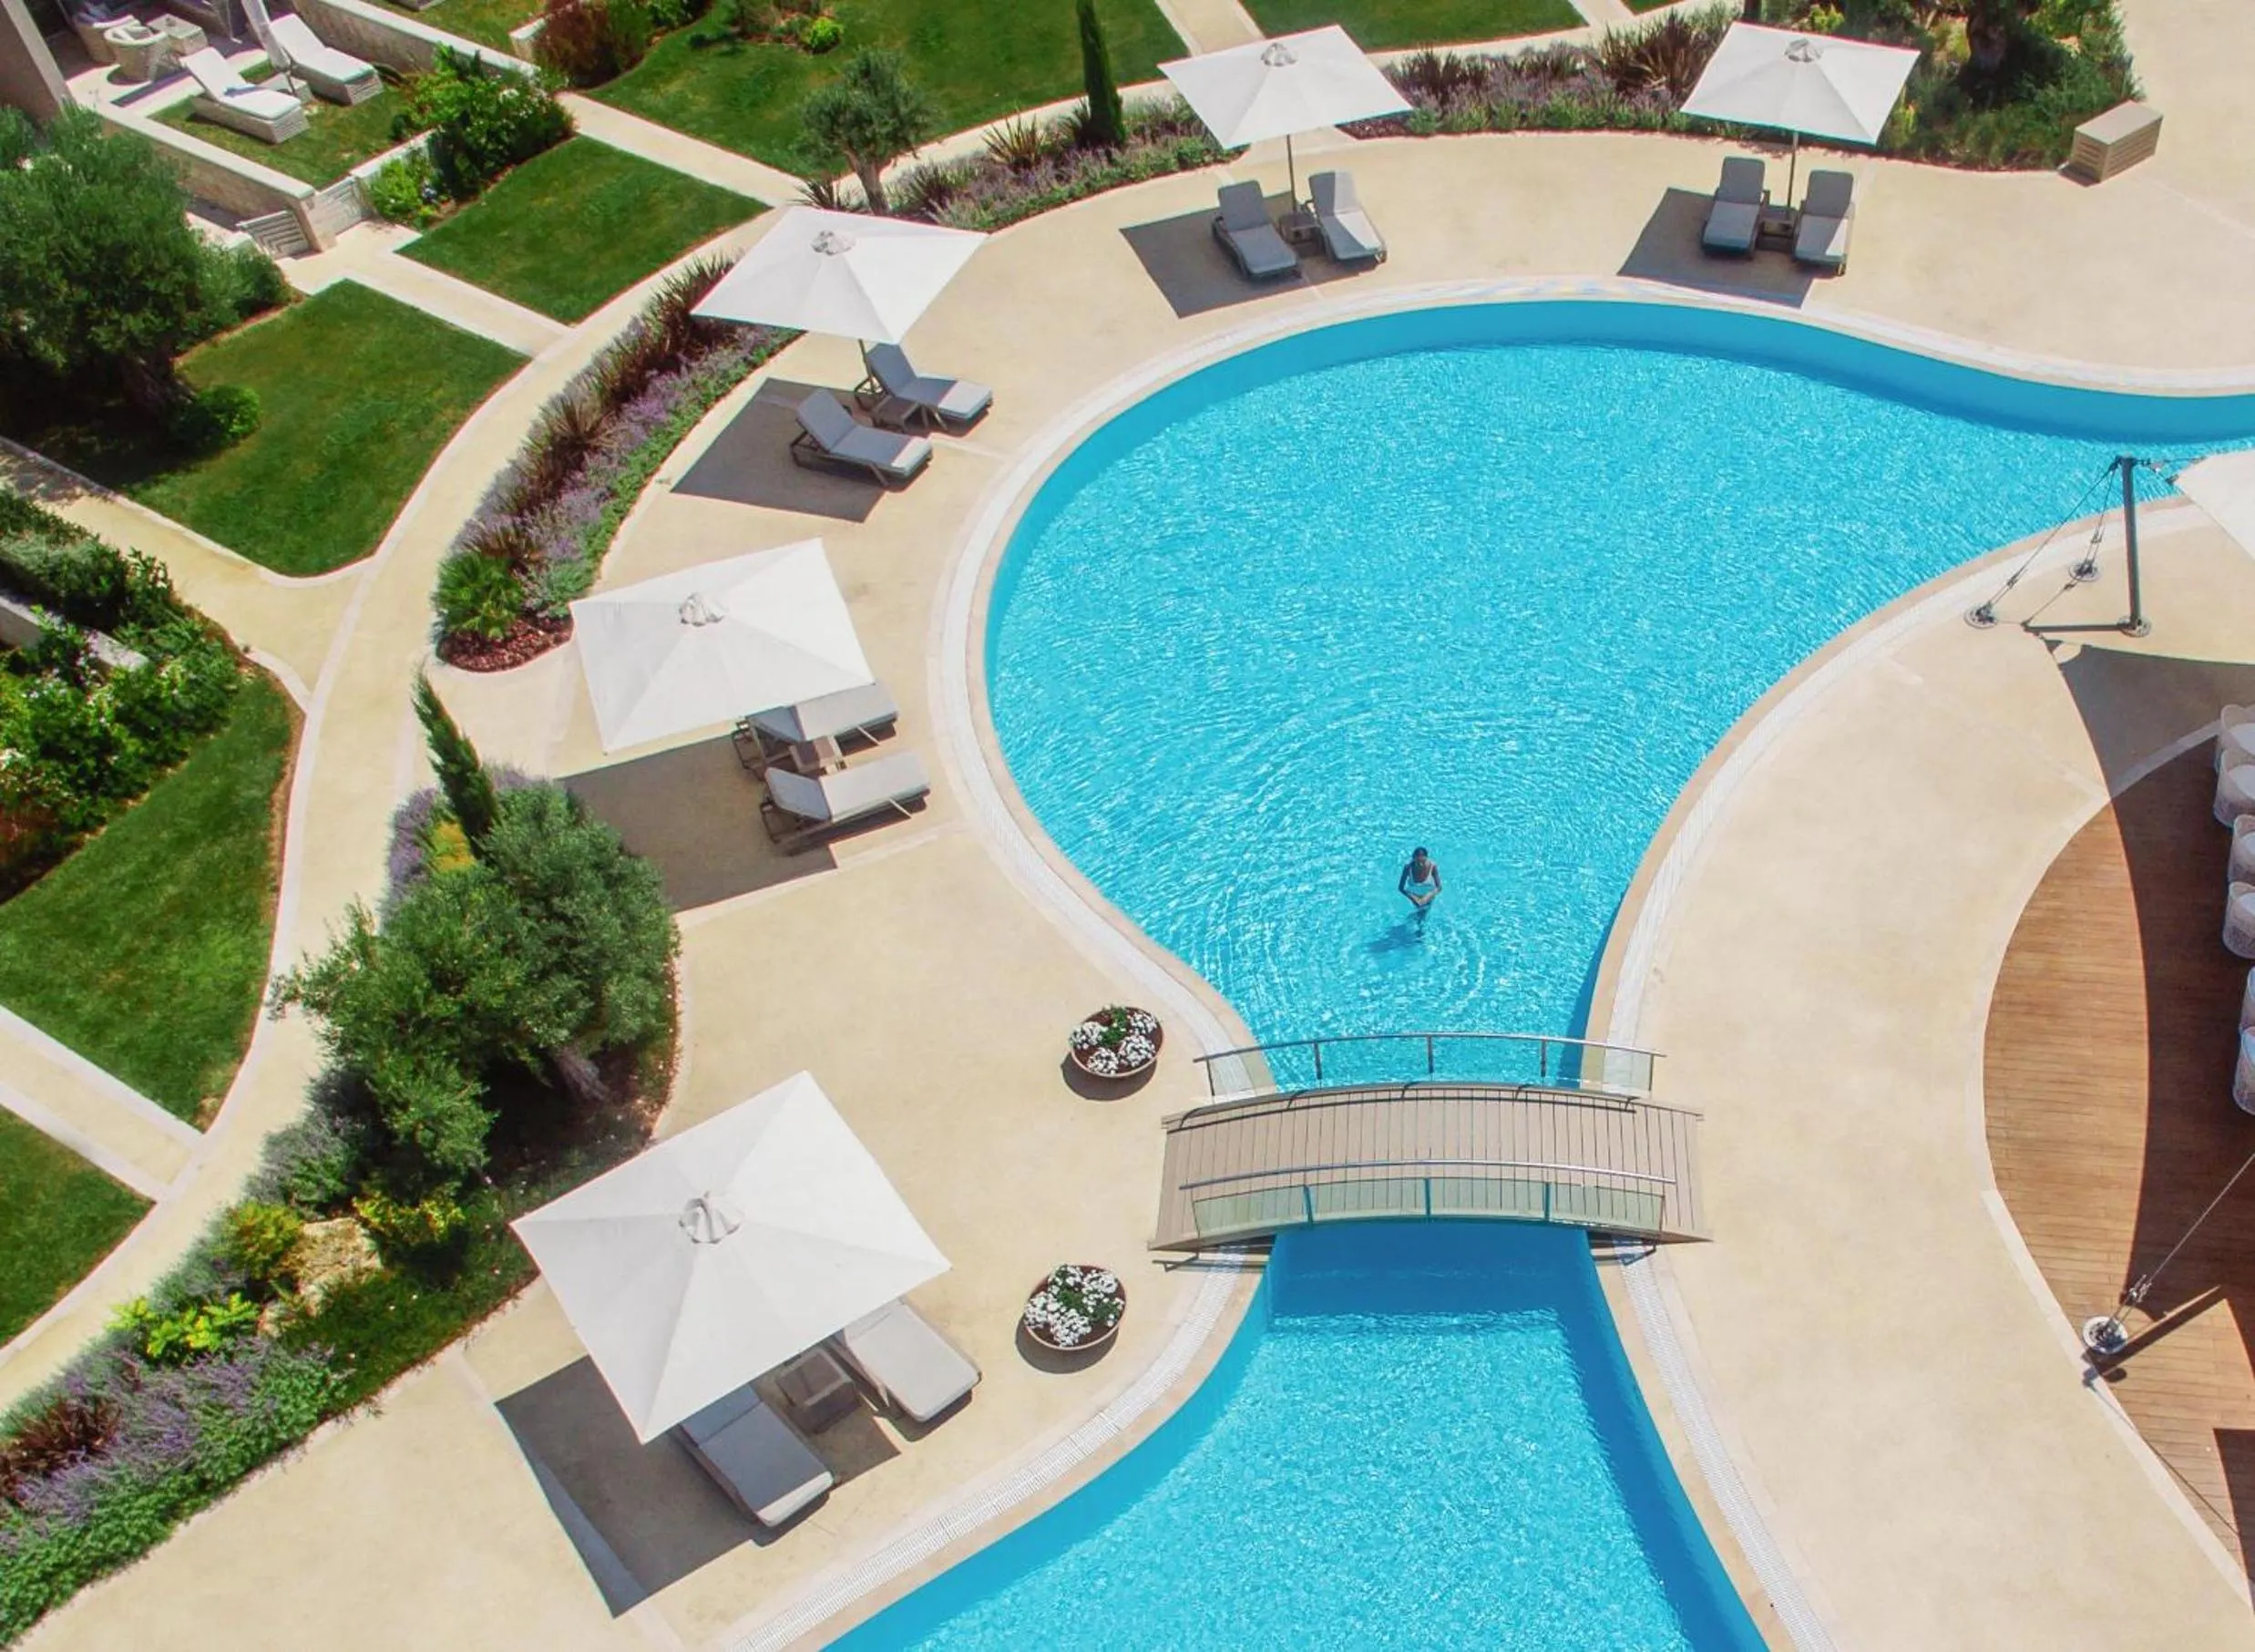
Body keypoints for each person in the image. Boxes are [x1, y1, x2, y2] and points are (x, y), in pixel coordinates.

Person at [1399, 847, 1441, 922]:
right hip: (1414, 894)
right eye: (1418, 862)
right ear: (1413, 859)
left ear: (1427, 859)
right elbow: (1401, 888)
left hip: (1428, 893)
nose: (1421, 864)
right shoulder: (1408, 867)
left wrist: (1426, 897)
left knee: (1422, 914)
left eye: (1423, 861)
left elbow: (1439, 887)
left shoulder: (1432, 866)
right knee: (1419, 915)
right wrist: (1413, 898)